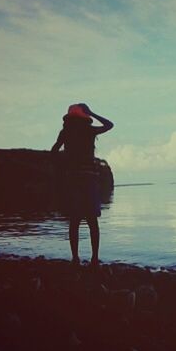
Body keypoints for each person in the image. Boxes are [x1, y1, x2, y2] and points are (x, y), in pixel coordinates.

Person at [51, 104, 113, 266]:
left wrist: (65, 165)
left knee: (75, 221)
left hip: (73, 181)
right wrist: (92, 112)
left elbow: (53, 152)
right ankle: (94, 259)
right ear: (84, 117)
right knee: (92, 221)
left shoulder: (65, 133)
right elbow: (109, 125)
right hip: (89, 180)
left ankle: (75, 258)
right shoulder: (89, 131)